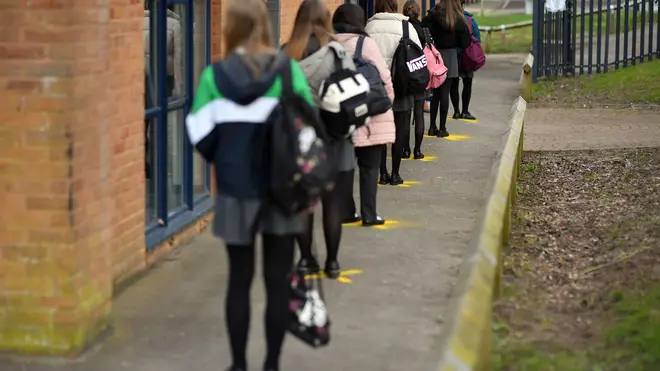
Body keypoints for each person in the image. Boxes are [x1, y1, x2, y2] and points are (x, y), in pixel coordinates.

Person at [185, 0, 316, 368]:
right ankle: (271, 364)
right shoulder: (288, 72)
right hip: (283, 190)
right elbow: (310, 124)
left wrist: (224, 157)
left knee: (238, 282)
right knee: (278, 282)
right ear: (262, 26)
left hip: (236, 191)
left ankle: (239, 364)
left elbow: (197, 131)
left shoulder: (215, 77)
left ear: (231, 29)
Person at [283, 0, 357, 277]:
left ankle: (306, 259)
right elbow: (351, 90)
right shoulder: (338, 53)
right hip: (337, 137)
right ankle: (333, 262)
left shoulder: (287, 53)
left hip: (301, 140)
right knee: (333, 204)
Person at [333, 3, 396, 226]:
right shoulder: (365, 44)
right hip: (370, 114)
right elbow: (384, 76)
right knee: (369, 168)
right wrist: (387, 101)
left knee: (344, 166)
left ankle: (345, 210)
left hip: (341, 115)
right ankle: (369, 214)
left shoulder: (329, 45)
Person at [365, 0, 423, 185]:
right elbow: (418, 54)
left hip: (378, 86)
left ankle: (382, 173)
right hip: (402, 85)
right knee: (400, 129)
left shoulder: (369, 27)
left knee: (381, 130)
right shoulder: (406, 27)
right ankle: (396, 173)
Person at [422, 0, 470, 137]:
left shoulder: (434, 15)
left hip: (435, 55)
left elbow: (422, 27)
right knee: (445, 93)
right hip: (450, 55)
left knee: (435, 93)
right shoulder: (458, 17)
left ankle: (432, 127)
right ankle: (442, 128)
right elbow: (466, 42)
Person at [402, 0, 427, 159]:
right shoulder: (423, 30)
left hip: (405, 75)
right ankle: (417, 150)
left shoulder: (403, 28)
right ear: (418, 12)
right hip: (419, 74)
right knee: (419, 113)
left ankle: (405, 149)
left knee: (405, 114)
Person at [450, 0, 481, 120]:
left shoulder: (449, 20)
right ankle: (465, 111)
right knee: (467, 83)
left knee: (454, 83)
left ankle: (456, 111)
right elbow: (477, 39)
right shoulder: (470, 20)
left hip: (454, 56)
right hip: (468, 55)